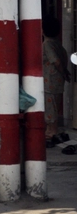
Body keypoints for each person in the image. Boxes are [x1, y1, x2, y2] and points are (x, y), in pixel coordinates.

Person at [43, 17, 70, 148]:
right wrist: (65, 73)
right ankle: (52, 129)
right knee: (55, 104)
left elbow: (56, 61)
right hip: (58, 79)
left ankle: (51, 131)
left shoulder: (47, 44)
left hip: (50, 79)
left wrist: (63, 71)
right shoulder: (57, 43)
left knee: (50, 106)